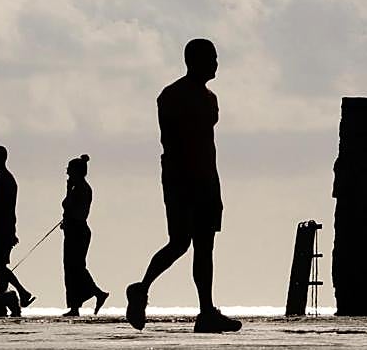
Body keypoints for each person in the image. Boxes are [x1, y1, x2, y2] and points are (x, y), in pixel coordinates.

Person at [125, 38, 241, 333]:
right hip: (184, 179)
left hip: (204, 177)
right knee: (182, 243)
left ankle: (205, 311)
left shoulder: (207, 98)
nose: (216, 64)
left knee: (201, 246)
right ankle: (143, 289)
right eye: (212, 58)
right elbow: (173, 140)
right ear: (196, 61)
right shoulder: (173, 96)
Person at [0, 146, 34, 309]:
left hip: (1, 229)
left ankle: (23, 292)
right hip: (6, 228)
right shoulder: (8, 179)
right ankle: (2, 303)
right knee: (0, 265)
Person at [60, 154, 110, 317]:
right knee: (72, 268)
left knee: (75, 267)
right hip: (74, 230)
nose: (67, 172)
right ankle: (76, 305)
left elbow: (76, 210)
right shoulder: (78, 187)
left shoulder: (82, 188)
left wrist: (69, 219)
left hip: (78, 231)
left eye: (69, 169)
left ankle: (95, 294)